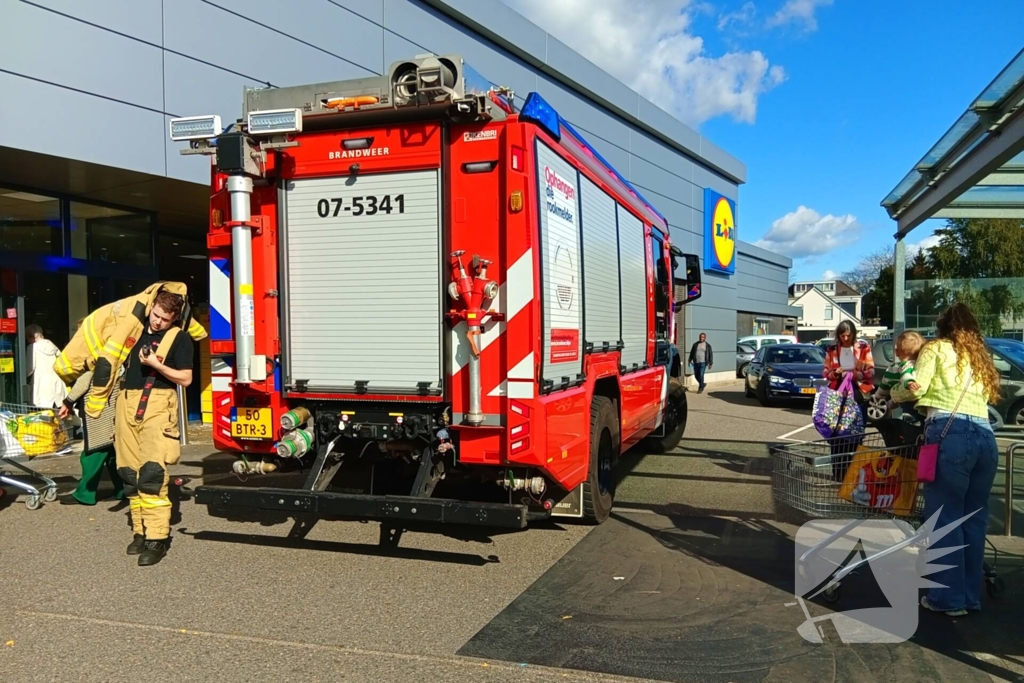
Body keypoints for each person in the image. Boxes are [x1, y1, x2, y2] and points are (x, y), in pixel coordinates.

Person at [909, 302, 1000, 616]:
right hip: (986, 439)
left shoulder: (934, 349)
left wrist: (893, 393)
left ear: (942, 327)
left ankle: (947, 599)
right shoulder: (979, 357)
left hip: (951, 434)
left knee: (945, 520)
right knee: (974, 521)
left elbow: (915, 387)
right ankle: (969, 597)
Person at [115, 291, 193, 566]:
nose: (158, 322)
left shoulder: (180, 339)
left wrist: (156, 364)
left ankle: (157, 539)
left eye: (165, 319)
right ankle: (140, 532)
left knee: (152, 473)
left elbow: (186, 379)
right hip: (126, 403)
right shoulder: (133, 331)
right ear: (151, 307)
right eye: (156, 315)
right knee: (128, 473)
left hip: (159, 405)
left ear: (174, 319)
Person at [57, 319, 125, 506]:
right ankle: (123, 489)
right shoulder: (115, 347)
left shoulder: (96, 352)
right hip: (112, 407)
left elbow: (86, 378)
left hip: (100, 408)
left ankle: (84, 493)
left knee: (93, 453)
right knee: (111, 452)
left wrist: (68, 401)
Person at [873, 330, 926, 424]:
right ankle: (892, 402)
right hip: (910, 397)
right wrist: (909, 382)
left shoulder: (892, 368)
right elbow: (905, 375)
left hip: (898, 393)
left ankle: (892, 403)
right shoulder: (911, 365)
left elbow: (884, 385)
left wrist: (878, 396)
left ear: (897, 353)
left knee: (896, 399)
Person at [25, 324, 67, 409]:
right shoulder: (52, 345)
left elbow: (30, 368)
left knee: (42, 414)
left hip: (41, 385)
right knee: (57, 412)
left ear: (31, 337)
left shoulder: (32, 347)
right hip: (57, 382)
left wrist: (22, 377)